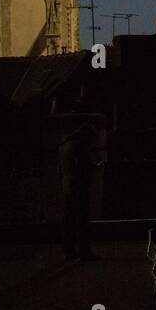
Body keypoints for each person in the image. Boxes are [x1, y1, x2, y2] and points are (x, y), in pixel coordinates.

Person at [55, 84, 102, 261]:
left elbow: (61, 167)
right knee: (82, 218)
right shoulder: (80, 146)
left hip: (68, 184)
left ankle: (69, 249)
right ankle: (83, 249)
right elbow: (84, 165)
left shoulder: (64, 145)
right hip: (78, 185)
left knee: (68, 217)